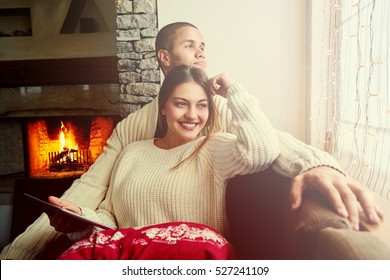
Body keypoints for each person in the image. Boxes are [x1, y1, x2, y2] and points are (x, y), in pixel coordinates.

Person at [0, 22, 382, 260]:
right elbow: (97, 196)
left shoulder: (216, 125)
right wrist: (40, 241)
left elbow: (269, 143)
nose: (201, 51)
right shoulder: (132, 138)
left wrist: (318, 163)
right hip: (125, 254)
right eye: (191, 44)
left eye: (204, 46)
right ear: (164, 59)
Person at [50, 65, 280, 259]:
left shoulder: (215, 148)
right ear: (162, 107)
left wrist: (233, 90)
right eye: (181, 103)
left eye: (202, 105)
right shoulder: (132, 152)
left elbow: (263, 151)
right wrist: (80, 219)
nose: (192, 114)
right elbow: (111, 219)